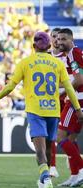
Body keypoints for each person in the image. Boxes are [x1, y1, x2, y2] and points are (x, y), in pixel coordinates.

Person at [0, 31, 83, 188]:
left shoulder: (25, 62)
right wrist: (78, 109)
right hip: (53, 110)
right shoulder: (58, 63)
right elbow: (69, 89)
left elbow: (11, 86)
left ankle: (46, 178)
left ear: (33, 46)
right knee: (50, 147)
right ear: (49, 46)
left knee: (40, 149)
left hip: (36, 110)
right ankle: (55, 175)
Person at [56, 28, 83, 187]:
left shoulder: (73, 53)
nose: (60, 42)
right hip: (79, 99)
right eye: (58, 39)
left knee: (60, 136)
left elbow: (79, 79)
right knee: (71, 138)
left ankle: (81, 169)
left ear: (71, 40)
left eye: (64, 39)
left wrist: (65, 91)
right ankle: (75, 176)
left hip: (76, 101)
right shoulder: (76, 54)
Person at [48, 27, 65, 178]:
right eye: (53, 37)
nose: (56, 40)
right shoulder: (45, 57)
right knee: (51, 135)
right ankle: (52, 166)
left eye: (58, 37)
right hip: (50, 101)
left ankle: (73, 161)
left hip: (65, 99)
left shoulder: (67, 56)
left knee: (66, 135)